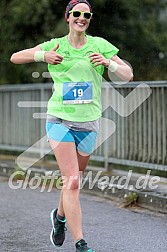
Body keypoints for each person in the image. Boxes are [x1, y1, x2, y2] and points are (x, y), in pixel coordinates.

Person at [10, 0, 133, 251]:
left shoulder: (100, 45)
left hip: (88, 122)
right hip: (59, 120)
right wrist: (42, 55)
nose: (82, 18)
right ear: (68, 17)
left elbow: (128, 74)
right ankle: (81, 242)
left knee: (74, 179)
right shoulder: (56, 45)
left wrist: (108, 63)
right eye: (77, 13)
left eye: (86, 15)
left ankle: (59, 217)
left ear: (89, 19)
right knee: (73, 182)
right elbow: (15, 57)